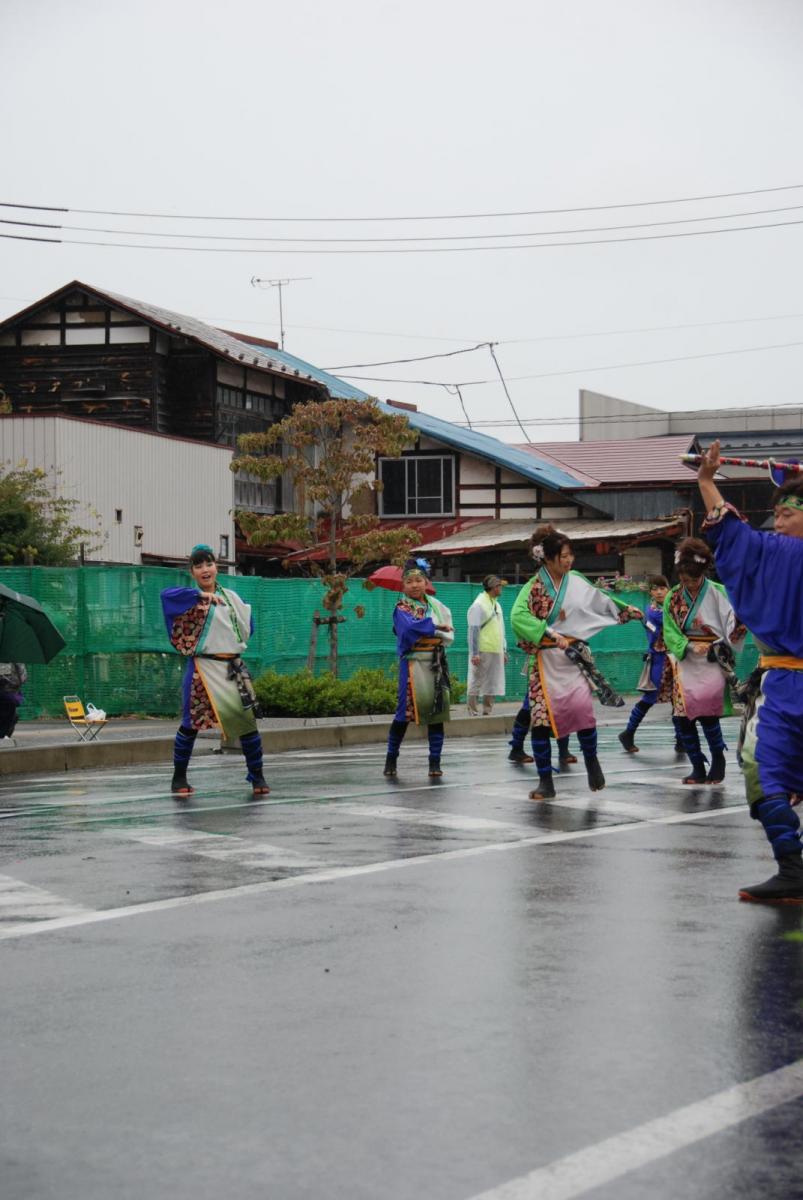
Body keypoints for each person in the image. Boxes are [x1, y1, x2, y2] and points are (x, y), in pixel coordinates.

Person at [697, 440, 803, 902]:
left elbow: (733, 532)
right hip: (781, 679)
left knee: (763, 767)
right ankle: (793, 868)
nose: (776, 523)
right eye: (776, 516)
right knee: (765, 768)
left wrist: (706, 481)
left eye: (786, 514)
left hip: (784, 685)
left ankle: (793, 867)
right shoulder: (776, 550)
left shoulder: (774, 553)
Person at [510, 525, 642, 799]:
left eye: (571, 555)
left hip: (574, 658)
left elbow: (599, 599)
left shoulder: (576, 579)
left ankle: (592, 761)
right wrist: (546, 631)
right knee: (541, 722)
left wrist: (624, 609)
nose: (569, 561)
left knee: (583, 712)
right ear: (547, 558)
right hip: (546, 661)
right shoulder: (533, 588)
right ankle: (545, 780)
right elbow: (517, 617)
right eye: (563, 556)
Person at [160, 544, 269, 797]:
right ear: (192, 572)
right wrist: (203, 598)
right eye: (198, 566)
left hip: (231, 667)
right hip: (202, 667)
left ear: (216, 567)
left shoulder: (231, 598)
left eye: (208, 564)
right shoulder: (188, 597)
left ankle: (258, 777)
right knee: (190, 726)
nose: (205, 570)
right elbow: (167, 596)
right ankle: (179, 778)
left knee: (247, 726)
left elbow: (247, 626)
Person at [663, 537, 745, 785]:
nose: (688, 583)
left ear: (702, 573)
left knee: (707, 714)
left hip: (711, 659)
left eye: (693, 579)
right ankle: (697, 764)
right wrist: (687, 645)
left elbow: (735, 625)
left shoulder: (719, 593)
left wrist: (719, 643)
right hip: (685, 659)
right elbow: (669, 629)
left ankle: (718, 759)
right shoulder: (673, 597)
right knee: (682, 716)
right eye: (684, 578)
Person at [384, 557, 454, 778]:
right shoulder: (401, 607)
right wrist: (434, 627)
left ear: (426, 582)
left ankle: (435, 762)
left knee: (436, 712)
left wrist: (439, 630)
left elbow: (450, 630)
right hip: (413, 663)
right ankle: (391, 758)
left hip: (434, 662)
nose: (415, 585)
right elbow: (408, 630)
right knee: (403, 714)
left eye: (419, 580)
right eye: (410, 581)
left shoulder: (437, 605)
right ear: (403, 586)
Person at [618, 575, 680, 754]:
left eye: (662, 588)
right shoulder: (652, 612)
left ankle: (681, 739)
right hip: (659, 658)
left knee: (678, 699)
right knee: (650, 698)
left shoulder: (671, 608)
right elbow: (667, 621)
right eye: (655, 589)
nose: (659, 592)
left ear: (668, 590)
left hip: (675, 658)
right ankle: (628, 733)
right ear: (651, 592)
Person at [466, 574, 507, 716]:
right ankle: (472, 709)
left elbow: (501, 628)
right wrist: (474, 652)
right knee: (477, 679)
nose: (501, 588)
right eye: (499, 586)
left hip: (495, 649)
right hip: (483, 649)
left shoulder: (496, 604)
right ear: (493, 587)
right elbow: (473, 630)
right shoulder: (478, 605)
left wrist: (504, 649)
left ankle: (487, 710)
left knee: (492, 681)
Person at [0, 662, 26, 741]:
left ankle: (3, 736)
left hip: (6, 695)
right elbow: (23, 678)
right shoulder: (18, 661)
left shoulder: (5, 661)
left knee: (7, 717)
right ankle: (4, 736)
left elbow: (3, 679)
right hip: (12, 695)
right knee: (9, 717)